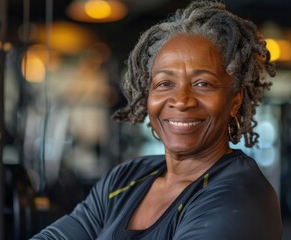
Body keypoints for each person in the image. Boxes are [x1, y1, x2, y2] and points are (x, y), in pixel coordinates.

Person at [31, 0, 282, 239]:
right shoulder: (126, 178)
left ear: (234, 100)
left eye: (203, 83)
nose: (181, 100)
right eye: (165, 83)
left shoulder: (238, 196)